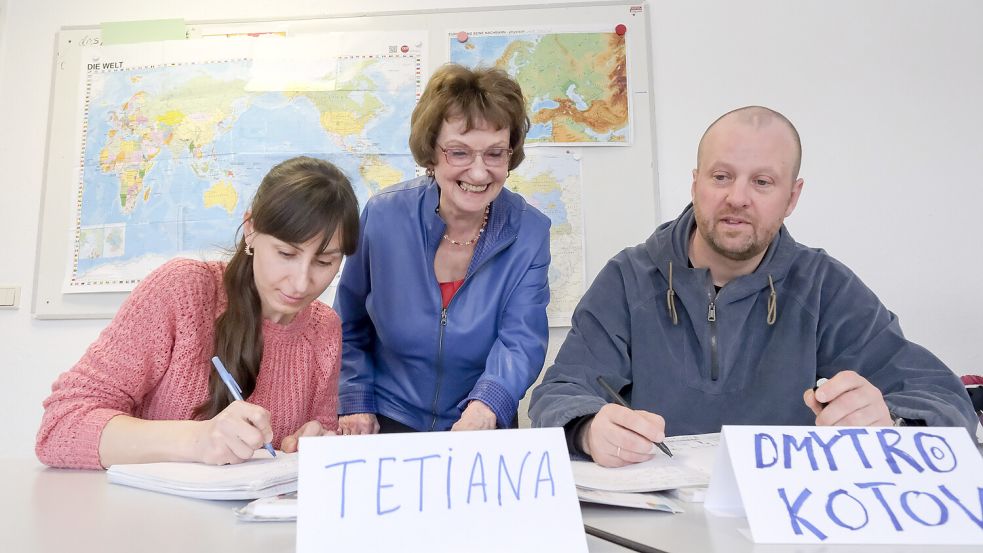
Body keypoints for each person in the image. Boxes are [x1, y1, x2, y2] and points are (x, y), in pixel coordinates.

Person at [529, 106, 978, 467]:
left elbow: (945, 400)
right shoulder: (628, 279)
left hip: (789, 525)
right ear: (696, 182)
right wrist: (589, 429)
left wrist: (891, 421)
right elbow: (559, 393)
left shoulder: (825, 287)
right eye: (721, 176)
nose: (737, 197)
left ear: (792, 197)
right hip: (652, 526)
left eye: (762, 182)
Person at [36, 156, 360, 469]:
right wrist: (198, 439)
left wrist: (307, 445)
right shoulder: (183, 289)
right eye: (286, 253)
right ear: (251, 230)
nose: (302, 282)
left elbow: (310, 439)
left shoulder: (324, 328)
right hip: (151, 518)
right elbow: (60, 427)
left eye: (324, 261)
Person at [335, 64, 551, 434]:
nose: (480, 173)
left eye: (495, 154)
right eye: (460, 153)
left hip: (479, 419)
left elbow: (521, 339)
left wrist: (487, 405)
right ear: (431, 153)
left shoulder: (530, 231)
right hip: (388, 417)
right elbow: (348, 323)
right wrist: (354, 399)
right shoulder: (383, 216)